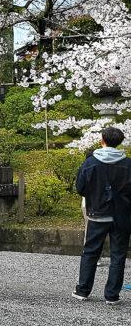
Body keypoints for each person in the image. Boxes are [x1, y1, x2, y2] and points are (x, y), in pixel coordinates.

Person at [72, 127, 131, 304]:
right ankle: (112, 295)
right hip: (122, 215)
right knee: (118, 255)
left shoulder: (91, 163)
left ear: (102, 140)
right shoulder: (128, 164)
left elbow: (80, 188)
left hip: (97, 212)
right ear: (120, 142)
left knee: (90, 252)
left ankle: (83, 291)